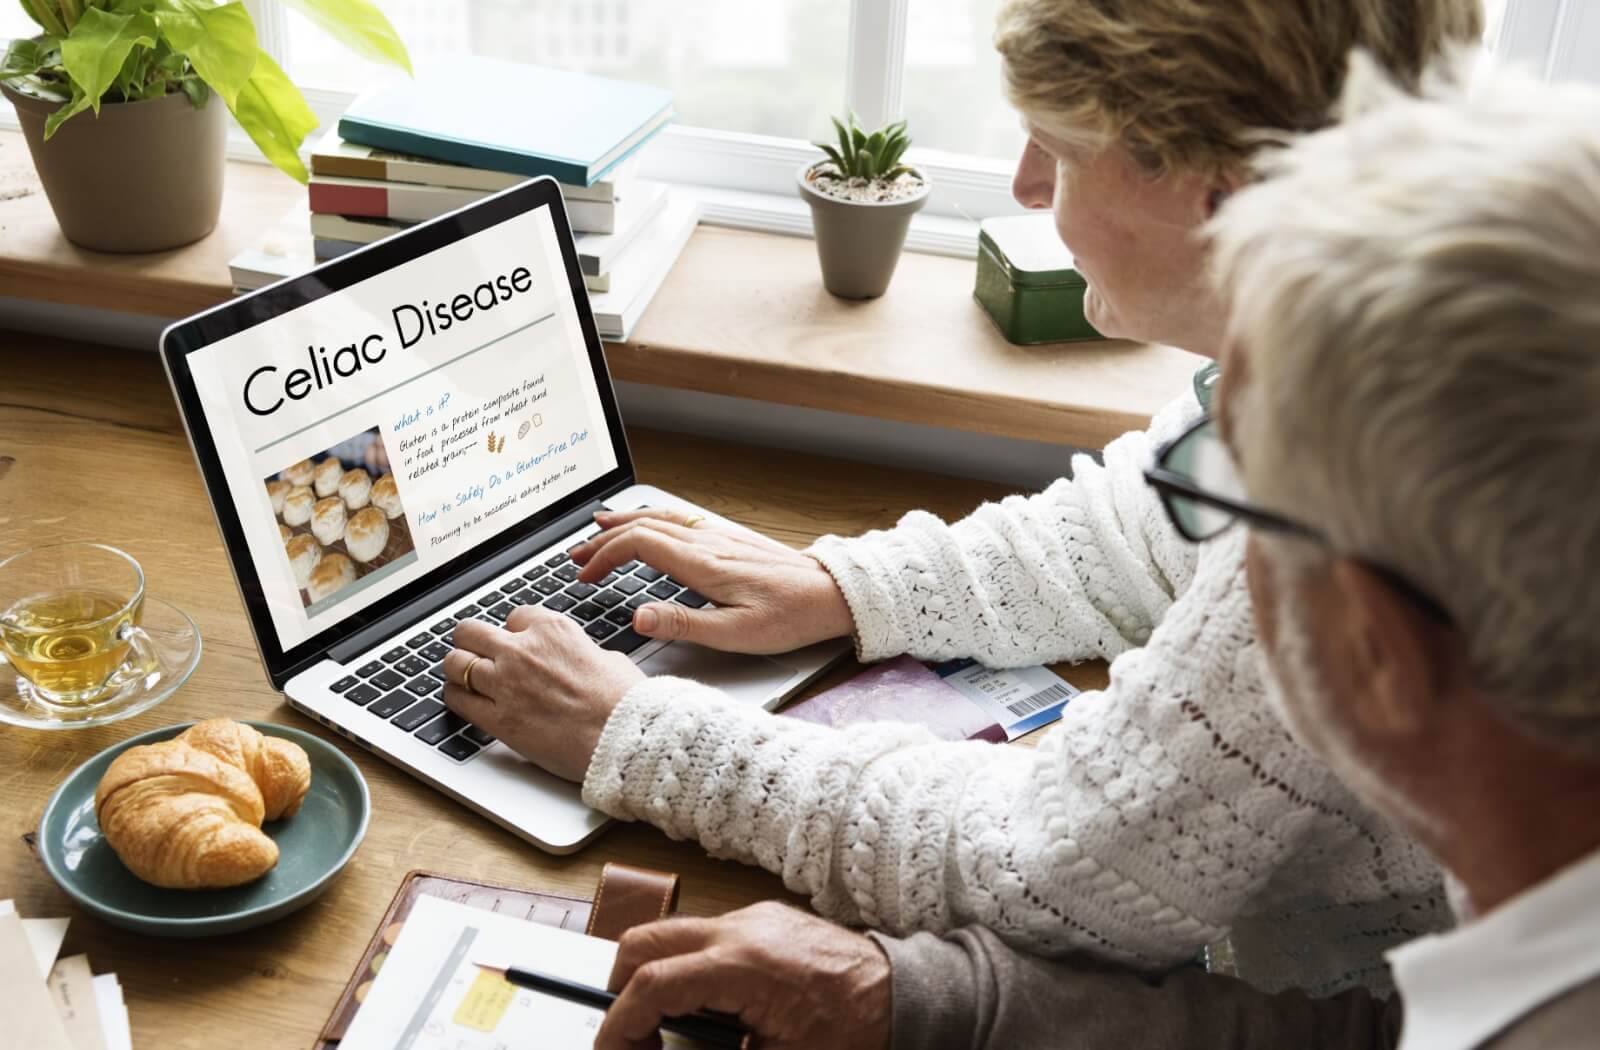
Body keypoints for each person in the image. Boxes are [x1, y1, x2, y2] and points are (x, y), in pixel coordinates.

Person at [443, 0, 1483, 995]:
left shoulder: (1352, 509)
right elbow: (1137, 535)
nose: (1027, 187)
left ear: (1223, 187)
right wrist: (844, 587)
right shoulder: (1372, 308)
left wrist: (636, 732)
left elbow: (1050, 877)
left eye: (1060, 152)